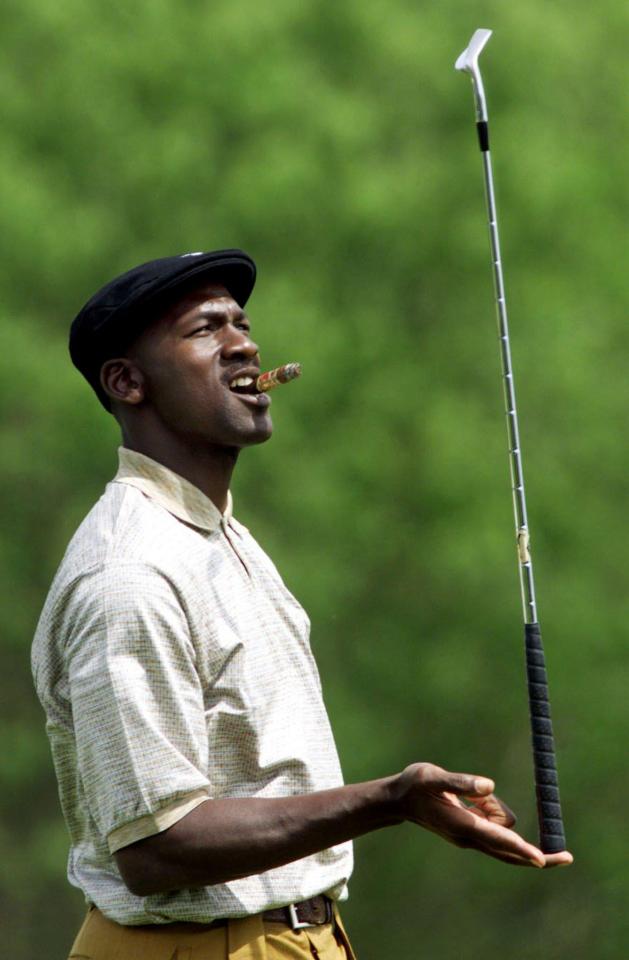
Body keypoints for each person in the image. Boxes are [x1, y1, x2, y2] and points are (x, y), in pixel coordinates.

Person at [31, 249, 572, 960]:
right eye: (205, 329)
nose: (245, 345)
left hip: (301, 939)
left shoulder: (220, 534)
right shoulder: (128, 573)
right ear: (127, 382)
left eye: (243, 324)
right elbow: (157, 847)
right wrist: (388, 801)